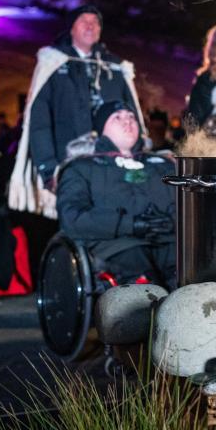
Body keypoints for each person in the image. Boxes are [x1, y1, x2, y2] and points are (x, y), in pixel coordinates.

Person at [10, 5, 144, 219]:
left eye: (95, 22)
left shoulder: (116, 68)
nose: (90, 26)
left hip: (114, 167)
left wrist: (136, 155)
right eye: (84, 20)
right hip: (71, 164)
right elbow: (40, 123)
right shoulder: (53, 64)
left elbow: (133, 114)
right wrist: (49, 169)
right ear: (72, 28)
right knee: (78, 224)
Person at [57, 101, 176, 289]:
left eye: (131, 117)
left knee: (193, 278)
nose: (127, 121)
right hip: (117, 246)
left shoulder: (162, 165)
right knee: (146, 288)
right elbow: (72, 217)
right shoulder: (82, 168)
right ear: (101, 129)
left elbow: (186, 204)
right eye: (117, 117)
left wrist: (174, 221)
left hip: (168, 241)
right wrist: (130, 224)